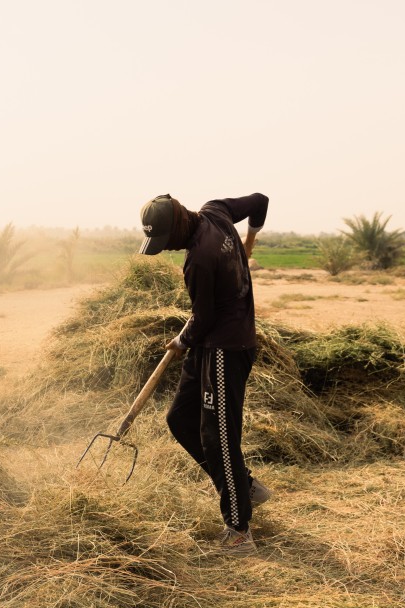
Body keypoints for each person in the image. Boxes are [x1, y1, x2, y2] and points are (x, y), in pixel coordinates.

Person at [137, 192, 270, 554]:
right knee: (180, 419)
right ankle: (244, 484)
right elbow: (260, 200)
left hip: (226, 349)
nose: (165, 249)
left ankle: (239, 530)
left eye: (167, 241)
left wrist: (181, 340)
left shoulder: (199, 259)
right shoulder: (217, 211)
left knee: (219, 438)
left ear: (179, 225)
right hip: (208, 347)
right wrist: (249, 241)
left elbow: (204, 317)